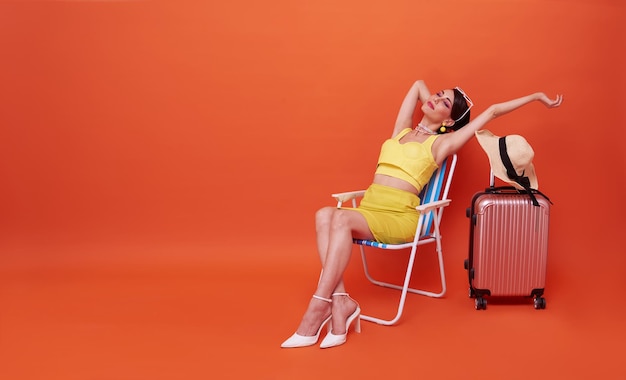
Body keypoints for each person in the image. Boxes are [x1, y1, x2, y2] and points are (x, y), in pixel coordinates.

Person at [281, 80, 563, 349]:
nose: (434, 98)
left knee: (340, 218)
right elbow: (417, 85)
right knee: (323, 215)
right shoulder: (401, 132)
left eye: (444, 102)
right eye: (438, 94)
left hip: (400, 216)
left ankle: (318, 307)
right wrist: (441, 102)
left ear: (450, 121)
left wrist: (537, 97)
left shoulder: (442, 144)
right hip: (370, 208)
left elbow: (490, 112)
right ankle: (340, 301)